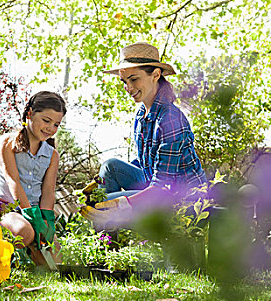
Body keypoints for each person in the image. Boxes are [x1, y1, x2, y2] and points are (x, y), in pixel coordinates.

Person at [81, 42, 207, 228]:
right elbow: (145, 162)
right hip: (156, 186)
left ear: (155, 75)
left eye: (134, 79)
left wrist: (122, 204)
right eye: (125, 81)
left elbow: (163, 186)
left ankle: (107, 244)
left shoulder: (170, 119)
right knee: (110, 167)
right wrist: (100, 182)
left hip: (183, 199)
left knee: (100, 206)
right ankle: (109, 243)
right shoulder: (142, 114)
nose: (129, 88)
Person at [0, 91, 66, 265]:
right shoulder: (7, 143)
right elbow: (13, 180)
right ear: (30, 113)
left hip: (36, 214)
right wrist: (29, 214)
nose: (50, 128)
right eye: (46, 121)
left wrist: (46, 218)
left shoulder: (52, 155)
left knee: (56, 256)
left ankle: (28, 257)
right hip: (7, 210)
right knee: (25, 232)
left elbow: (48, 191)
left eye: (56, 124)